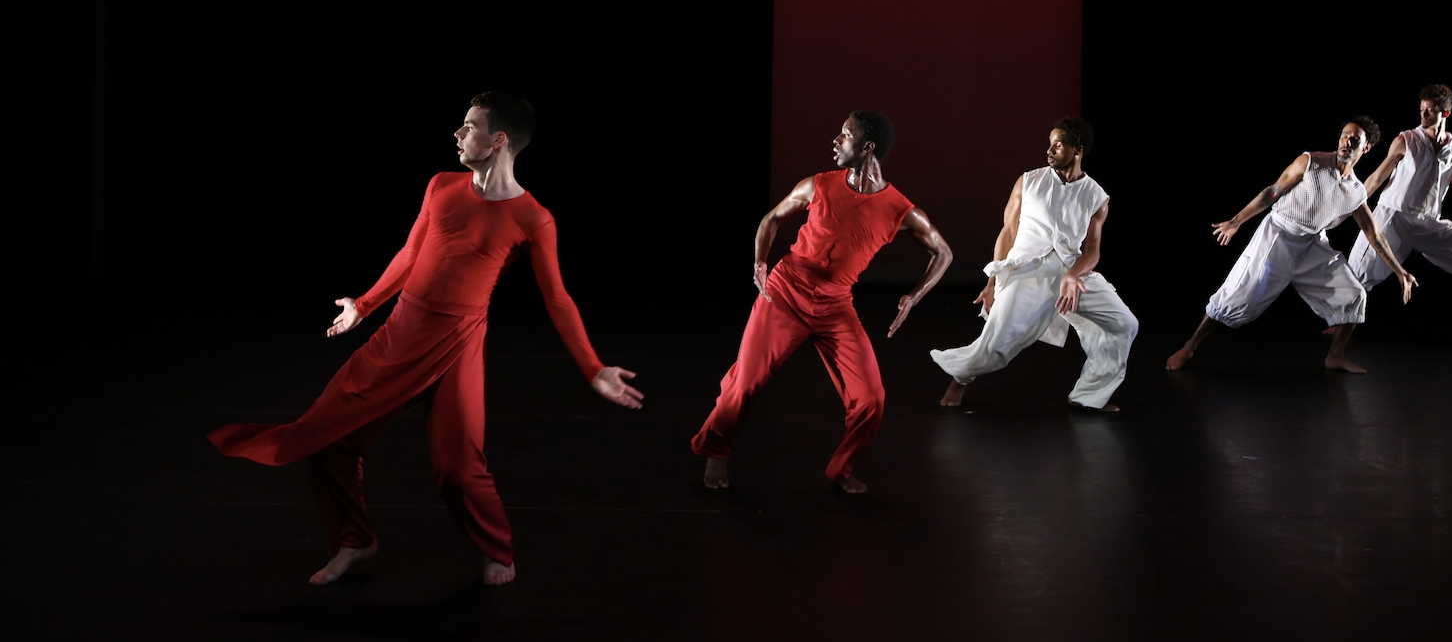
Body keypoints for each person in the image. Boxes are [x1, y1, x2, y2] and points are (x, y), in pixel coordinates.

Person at [209, 93, 642, 587]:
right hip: (401, 333)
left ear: (498, 140)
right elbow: (410, 254)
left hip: (457, 345)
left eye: (469, 126)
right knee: (328, 439)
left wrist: (592, 367)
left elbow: (558, 299)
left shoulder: (533, 218)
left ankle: (497, 551)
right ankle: (354, 540)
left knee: (458, 468)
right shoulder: (441, 185)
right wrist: (363, 306)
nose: (458, 134)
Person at [692, 111, 952, 494]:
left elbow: (943, 253)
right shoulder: (817, 185)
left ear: (867, 146)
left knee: (870, 398)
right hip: (785, 292)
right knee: (745, 381)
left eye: (845, 135)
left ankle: (841, 468)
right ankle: (715, 452)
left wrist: (915, 296)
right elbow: (771, 219)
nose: (836, 140)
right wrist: (760, 262)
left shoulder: (900, 209)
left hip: (835, 306)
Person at [1165, 117, 1416, 375]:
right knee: (1236, 293)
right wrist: (1235, 221)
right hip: (1279, 235)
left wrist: (1400, 272)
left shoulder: (1355, 191)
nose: (1346, 142)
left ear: (1366, 147)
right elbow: (1272, 192)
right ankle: (1191, 345)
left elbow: (1374, 234)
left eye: (1355, 139)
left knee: (1354, 294)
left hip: (1312, 244)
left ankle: (1335, 356)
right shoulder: (1312, 161)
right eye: (1344, 136)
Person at [931, 117, 1138, 411]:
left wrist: (1073, 275)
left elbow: (1092, 252)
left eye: (1058, 145)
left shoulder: (1096, 196)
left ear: (1077, 150)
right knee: (998, 343)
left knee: (1123, 324)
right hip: (1027, 271)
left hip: (1071, 273)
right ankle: (960, 379)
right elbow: (1008, 233)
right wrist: (993, 282)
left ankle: (1089, 395)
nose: (1049, 151)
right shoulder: (1029, 181)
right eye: (1049, 144)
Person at [1347, 84, 1452, 339]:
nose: (1423, 114)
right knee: (1356, 273)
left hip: (1427, 222)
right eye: (1422, 109)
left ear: (1445, 113)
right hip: (1392, 217)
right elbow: (1377, 178)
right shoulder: (1406, 140)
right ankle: (1339, 324)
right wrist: (1349, 206)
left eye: (1431, 110)